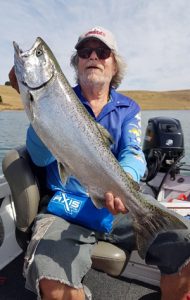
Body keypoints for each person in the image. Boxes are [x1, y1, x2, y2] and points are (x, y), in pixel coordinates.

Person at [9, 26, 190, 300]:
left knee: (185, 242)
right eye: (85, 51)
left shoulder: (129, 108)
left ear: (114, 64)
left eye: (102, 51)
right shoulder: (55, 97)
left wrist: (124, 181)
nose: (93, 56)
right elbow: (40, 158)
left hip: (118, 205)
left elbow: (132, 151)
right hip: (65, 209)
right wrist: (34, 106)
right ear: (76, 62)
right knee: (53, 283)